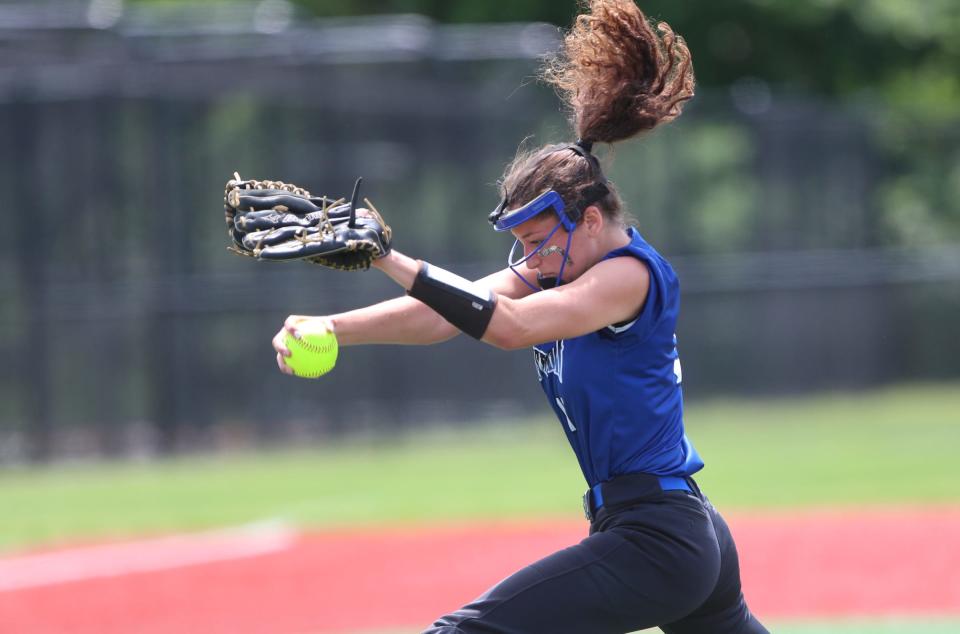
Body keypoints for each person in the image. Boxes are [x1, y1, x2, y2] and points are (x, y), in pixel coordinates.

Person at [272, 1, 769, 632]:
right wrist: (334, 326)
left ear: (591, 220)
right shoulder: (558, 265)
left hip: (658, 539)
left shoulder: (629, 276)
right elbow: (442, 316)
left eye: (541, 239)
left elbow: (510, 328)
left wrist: (390, 257)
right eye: (525, 243)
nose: (531, 257)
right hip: (675, 530)